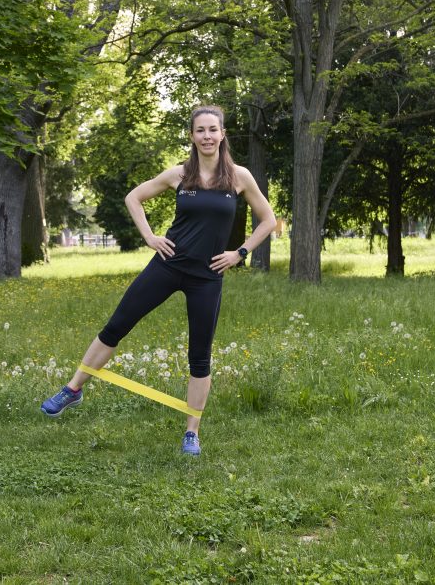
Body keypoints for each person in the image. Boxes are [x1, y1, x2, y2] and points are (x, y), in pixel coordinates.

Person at [40, 105, 277, 456]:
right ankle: (73, 389)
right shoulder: (180, 174)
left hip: (207, 277)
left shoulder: (239, 176)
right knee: (117, 325)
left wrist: (238, 253)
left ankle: (191, 433)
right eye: (200, 130)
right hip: (167, 265)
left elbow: (268, 220)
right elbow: (133, 197)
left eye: (213, 129)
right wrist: (150, 237)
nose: (207, 136)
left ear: (222, 134)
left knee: (200, 355)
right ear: (192, 136)